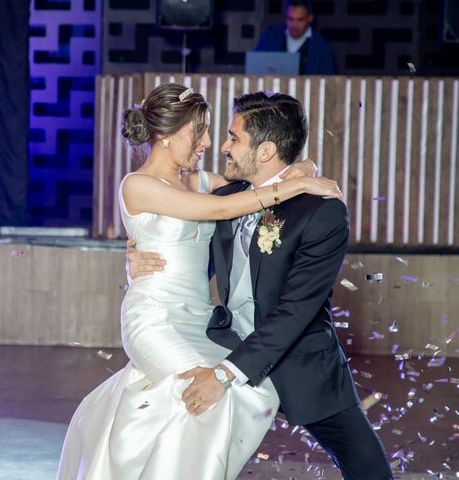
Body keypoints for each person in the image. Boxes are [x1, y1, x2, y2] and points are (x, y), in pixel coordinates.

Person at [55, 83, 342, 480]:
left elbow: (255, 185)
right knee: (207, 399)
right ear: (165, 136)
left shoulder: (198, 181)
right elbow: (224, 209)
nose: (208, 142)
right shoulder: (137, 186)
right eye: (199, 130)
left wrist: (303, 170)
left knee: (257, 392)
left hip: (200, 321)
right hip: (154, 320)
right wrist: (295, 184)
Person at [127, 90, 394, 479]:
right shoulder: (227, 195)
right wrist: (135, 250)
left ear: (266, 150)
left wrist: (223, 375)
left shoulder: (321, 212)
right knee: (192, 423)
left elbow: (295, 312)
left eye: (234, 138)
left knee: (369, 470)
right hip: (221, 341)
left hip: (297, 359)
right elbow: (174, 222)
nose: (221, 146)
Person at [255, 0, 337, 75]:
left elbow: (328, 81)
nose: (294, 25)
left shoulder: (322, 47)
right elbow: (255, 67)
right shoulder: (269, 38)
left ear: (310, 18)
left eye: (300, 20)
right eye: (290, 19)